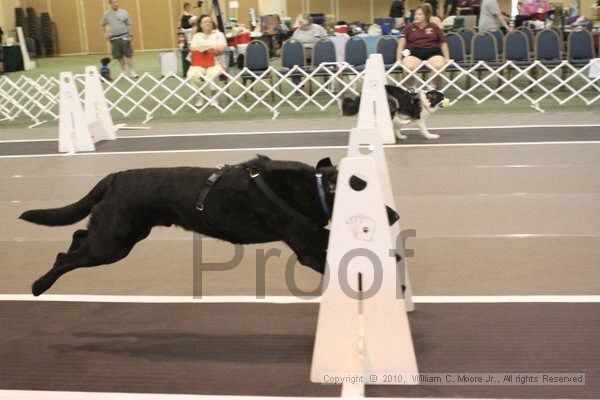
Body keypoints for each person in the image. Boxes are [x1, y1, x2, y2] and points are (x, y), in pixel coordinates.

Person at [397, 4, 449, 90]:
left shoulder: (434, 27)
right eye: (416, 14)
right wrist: (398, 59)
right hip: (413, 52)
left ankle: (431, 87)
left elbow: (443, 43)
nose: (416, 16)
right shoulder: (408, 28)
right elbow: (401, 44)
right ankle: (412, 89)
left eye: (419, 14)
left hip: (433, 52)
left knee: (440, 65)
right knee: (408, 67)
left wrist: (447, 58)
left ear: (426, 16)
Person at [187, 15, 227, 108]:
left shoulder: (218, 34)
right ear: (200, 25)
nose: (207, 23)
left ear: (212, 23)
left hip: (216, 62)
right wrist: (201, 48)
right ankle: (200, 95)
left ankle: (213, 95)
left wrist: (209, 46)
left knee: (211, 74)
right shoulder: (197, 36)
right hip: (200, 62)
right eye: (204, 22)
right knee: (191, 74)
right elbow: (192, 48)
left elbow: (222, 48)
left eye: (209, 21)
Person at [100, 0, 137, 78]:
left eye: (117, 2)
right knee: (119, 56)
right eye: (113, 2)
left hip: (124, 37)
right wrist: (105, 34)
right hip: (114, 38)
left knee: (128, 55)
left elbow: (129, 24)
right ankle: (122, 72)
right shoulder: (107, 14)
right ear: (110, 4)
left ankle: (132, 71)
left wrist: (130, 35)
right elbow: (102, 24)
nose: (115, 4)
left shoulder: (124, 12)